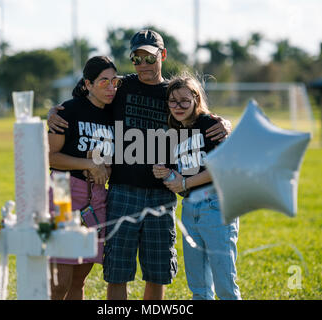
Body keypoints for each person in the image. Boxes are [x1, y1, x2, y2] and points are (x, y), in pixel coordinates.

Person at [48, 29, 232, 300]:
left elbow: (197, 112)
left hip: (161, 194)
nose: (143, 64)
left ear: (163, 55)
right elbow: (90, 92)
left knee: (157, 273)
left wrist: (223, 122)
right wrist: (53, 111)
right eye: (137, 58)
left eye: (150, 57)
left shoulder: (171, 93)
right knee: (117, 271)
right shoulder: (121, 87)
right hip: (121, 191)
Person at [152, 73, 241, 300]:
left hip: (216, 207)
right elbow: (177, 175)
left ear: (196, 100)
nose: (178, 106)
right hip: (190, 209)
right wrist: (165, 172)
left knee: (225, 286)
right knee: (199, 288)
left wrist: (184, 182)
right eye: (173, 101)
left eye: (184, 100)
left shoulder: (211, 125)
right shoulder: (173, 133)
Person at [48, 56, 121, 300]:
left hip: (97, 196)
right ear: (88, 84)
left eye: (114, 81)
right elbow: (50, 157)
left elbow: (111, 164)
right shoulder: (68, 110)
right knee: (60, 282)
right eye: (103, 82)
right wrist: (88, 164)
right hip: (62, 192)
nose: (111, 87)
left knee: (80, 278)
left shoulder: (115, 115)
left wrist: (103, 169)